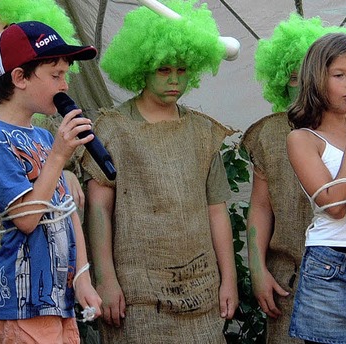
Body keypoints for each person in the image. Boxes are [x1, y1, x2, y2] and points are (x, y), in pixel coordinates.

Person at [244, 13, 346, 344]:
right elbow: (334, 204)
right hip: (328, 269)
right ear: (317, 81)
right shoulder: (303, 139)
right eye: (339, 75)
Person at [82, 1, 238, 343]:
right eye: (164, 69)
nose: (174, 80)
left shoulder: (202, 132)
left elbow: (216, 211)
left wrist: (229, 279)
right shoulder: (113, 130)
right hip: (137, 294)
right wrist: (105, 277)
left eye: (182, 70)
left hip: (201, 291)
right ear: (143, 67)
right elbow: (98, 208)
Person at [0, 21, 102, 342]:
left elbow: (66, 210)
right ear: (20, 78)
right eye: (55, 75)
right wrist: (58, 157)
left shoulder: (43, 136)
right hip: (24, 304)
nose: (65, 85)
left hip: (58, 301)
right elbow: (25, 218)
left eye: (65, 74)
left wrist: (81, 278)